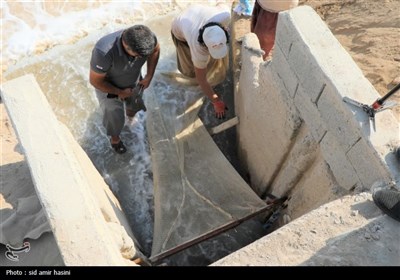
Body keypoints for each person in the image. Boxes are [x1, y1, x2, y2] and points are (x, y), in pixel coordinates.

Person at [89, 25, 160, 154]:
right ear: (126, 45)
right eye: (138, 55)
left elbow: (155, 50)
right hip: (108, 87)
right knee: (113, 115)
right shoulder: (103, 52)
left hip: (134, 80)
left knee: (135, 103)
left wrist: (149, 76)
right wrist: (120, 92)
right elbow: (95, 81)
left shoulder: (149, 39)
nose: (140, 57)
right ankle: (115, 139)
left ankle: (131, 118)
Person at [171, 3, 231, 119]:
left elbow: (222, 2)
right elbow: (201, 79)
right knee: (190, 70)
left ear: (224, 30)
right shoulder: (197, 46)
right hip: (179, 28)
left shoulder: (225, 16)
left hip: (196, 10)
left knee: (208, 63)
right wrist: (216, 101)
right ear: (204, 45)